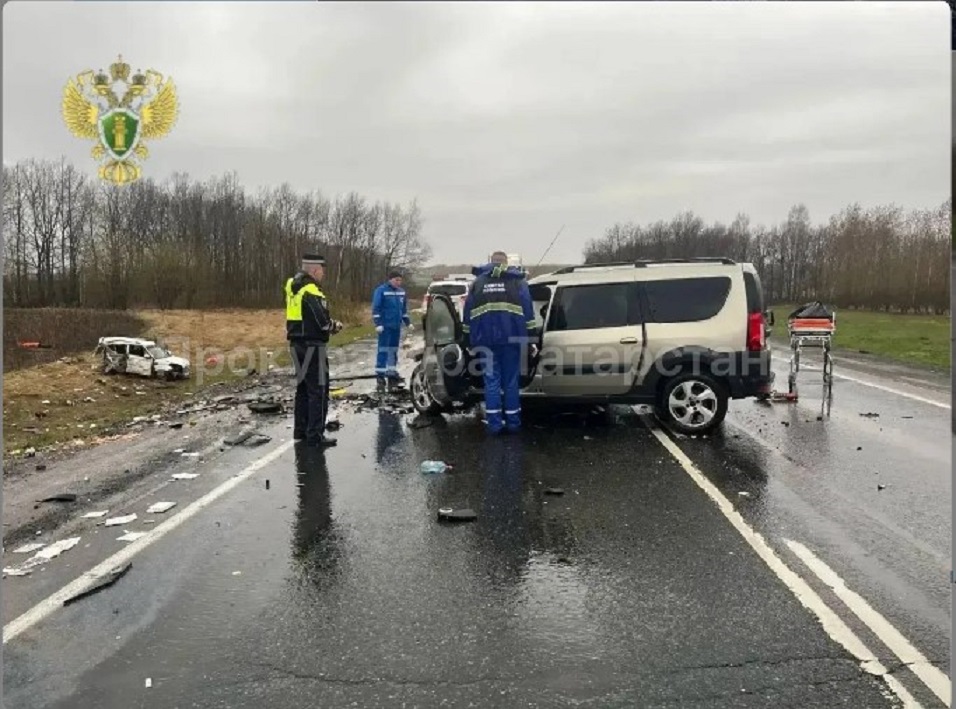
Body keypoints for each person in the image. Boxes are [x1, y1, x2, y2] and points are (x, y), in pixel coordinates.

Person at [462, 251, 537, 434]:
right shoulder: (518, 281)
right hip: (512, 339)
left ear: (490, 262)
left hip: (485, 341)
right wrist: (532, 336)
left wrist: (466, 338)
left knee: (491, 381)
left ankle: (495, 424)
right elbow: (528, 311)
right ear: (506, 263)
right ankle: (513, 422)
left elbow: (468, 313)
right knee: (511, 381)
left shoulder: (478, 283)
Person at [285, 253, 343, 447]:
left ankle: (300, 431)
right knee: (318, 390)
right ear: (315, 270)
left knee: (303, 389)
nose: (323, 274)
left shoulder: (293, 287)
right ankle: (315, 435)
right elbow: (322, 322)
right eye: (322, 270)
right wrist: (335, 325)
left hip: (296, 343)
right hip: (312, 346)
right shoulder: (311, 290)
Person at [371, 269, 412, 392]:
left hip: (396, 326)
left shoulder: (401, 293)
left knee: (393, 350)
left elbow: (403, 310)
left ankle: (391, 373)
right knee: (383, 350)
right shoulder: (381, 291)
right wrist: (378, 324)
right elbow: (376, 308)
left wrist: (408, 323)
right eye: (396, 280)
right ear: (390, 279)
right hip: (385, 327)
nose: (398, 282)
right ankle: (380, 376)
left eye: (400, 280)